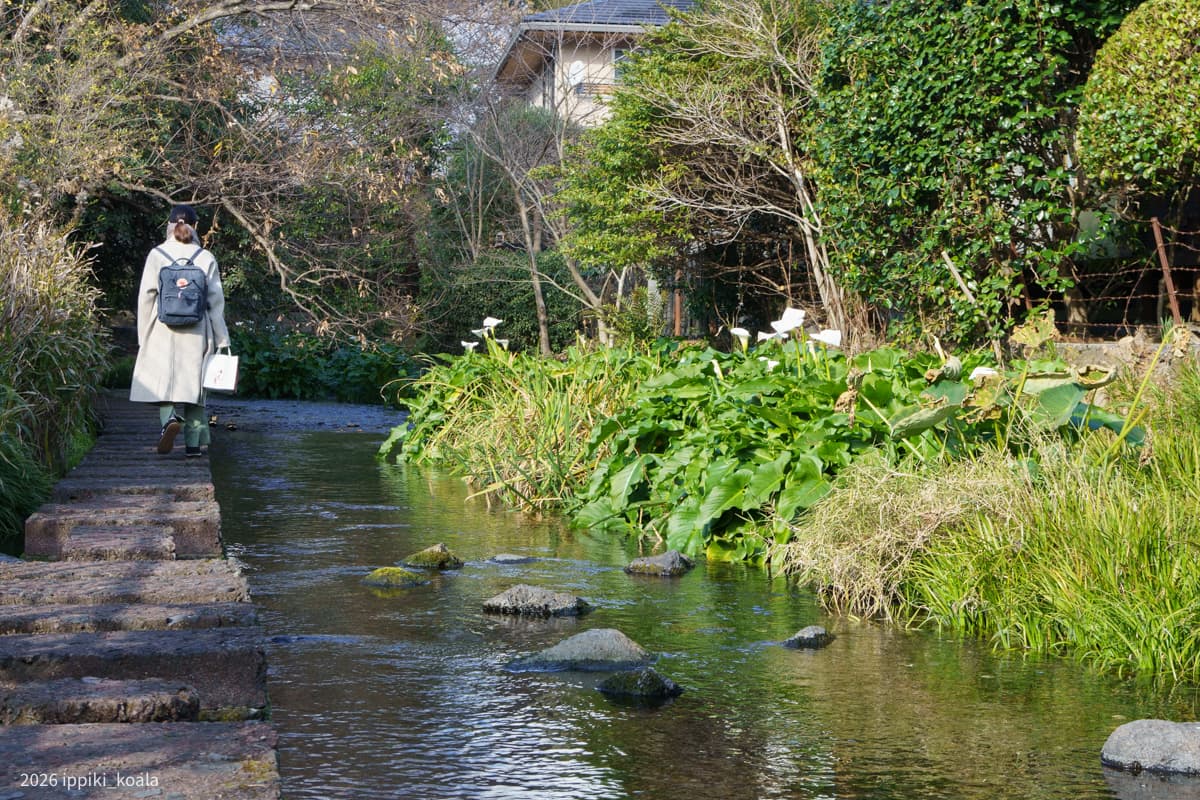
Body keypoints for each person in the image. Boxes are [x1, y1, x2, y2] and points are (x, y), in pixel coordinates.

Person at [129, 204, 230, 456]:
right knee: (196, 389)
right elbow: (215, 302)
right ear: (195, 227)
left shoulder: (157, 254)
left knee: (163, 384)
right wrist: (222, 339)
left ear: (169, 225)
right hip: (197, 330)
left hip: (161, 329)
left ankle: (169, 421)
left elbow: (146, 296)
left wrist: (143, 334)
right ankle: (194, 446)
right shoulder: (206, 257)